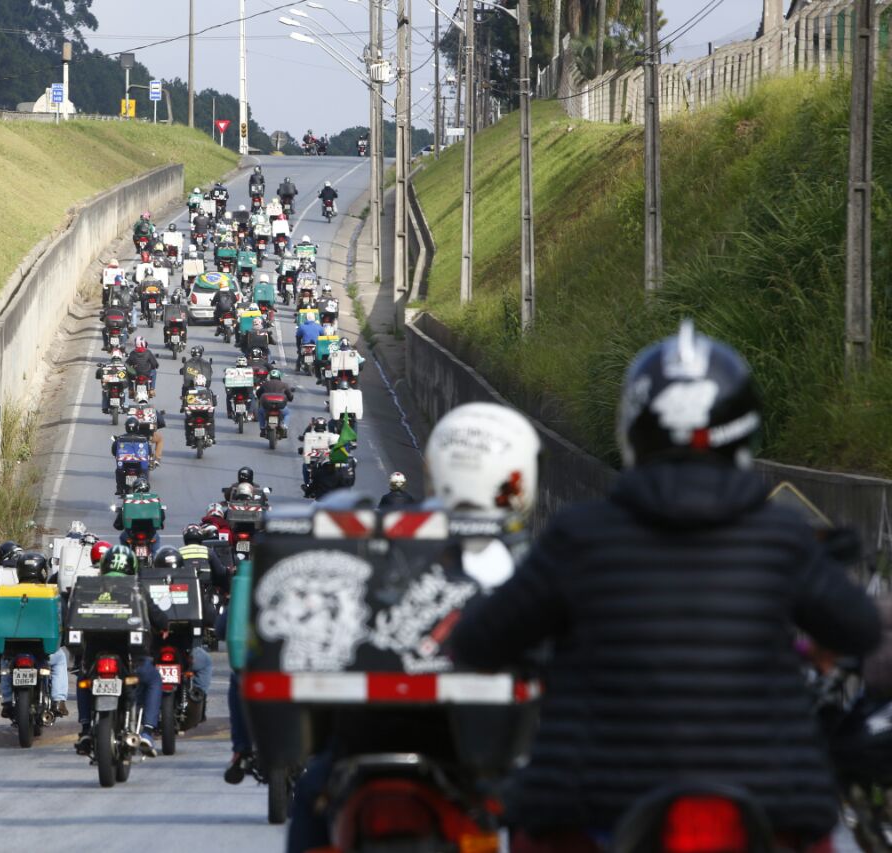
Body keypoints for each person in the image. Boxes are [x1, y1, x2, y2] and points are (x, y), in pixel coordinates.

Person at [448, 324, 882, 852]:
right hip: (771, 801)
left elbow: (478, 641)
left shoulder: (580, 536)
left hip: (594, 804)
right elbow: (858, 627)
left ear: (633, 430)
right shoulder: (781, 537)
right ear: (744, 431)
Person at [284, 401, 540, 850]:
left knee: (312, 795)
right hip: (471, 750)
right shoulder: (534, 557)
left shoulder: (395, 536)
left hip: (375, 736)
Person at [74, 546, 167, 758]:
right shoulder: (137, 589)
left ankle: (86, 728)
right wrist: (164, 626)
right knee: (153, 681)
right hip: (132, 659)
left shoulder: (89, 588)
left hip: (94, 657)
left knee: (82, 679)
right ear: (132, 567)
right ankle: (148, 732)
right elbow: (158, 617)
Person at [0, 551, 69, 721]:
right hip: (43, 652)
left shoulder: (5, 592)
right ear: (42, 571)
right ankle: (58, 700)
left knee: (5, 665)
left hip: (13, 650)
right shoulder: (51, 592)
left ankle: (7, 701)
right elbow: (63, 619)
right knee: (60, 660)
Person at [149, 547, 215, 702]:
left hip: (153, 649)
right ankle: (198, 695)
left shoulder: (146, 586)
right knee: (205, 662)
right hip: (183, 648)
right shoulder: (191, 585)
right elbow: (210, 615)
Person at [256, 368, 294, 436]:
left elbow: (258, 393)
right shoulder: (284, 384)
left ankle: (262, 428)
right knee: (287, 413)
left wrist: (260, 399)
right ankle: (284, 426)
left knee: (260, 412)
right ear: (279, 376)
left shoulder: (265, 384)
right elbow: (290, 396)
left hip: (267, 406)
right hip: (280, 406)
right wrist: (290, 398)